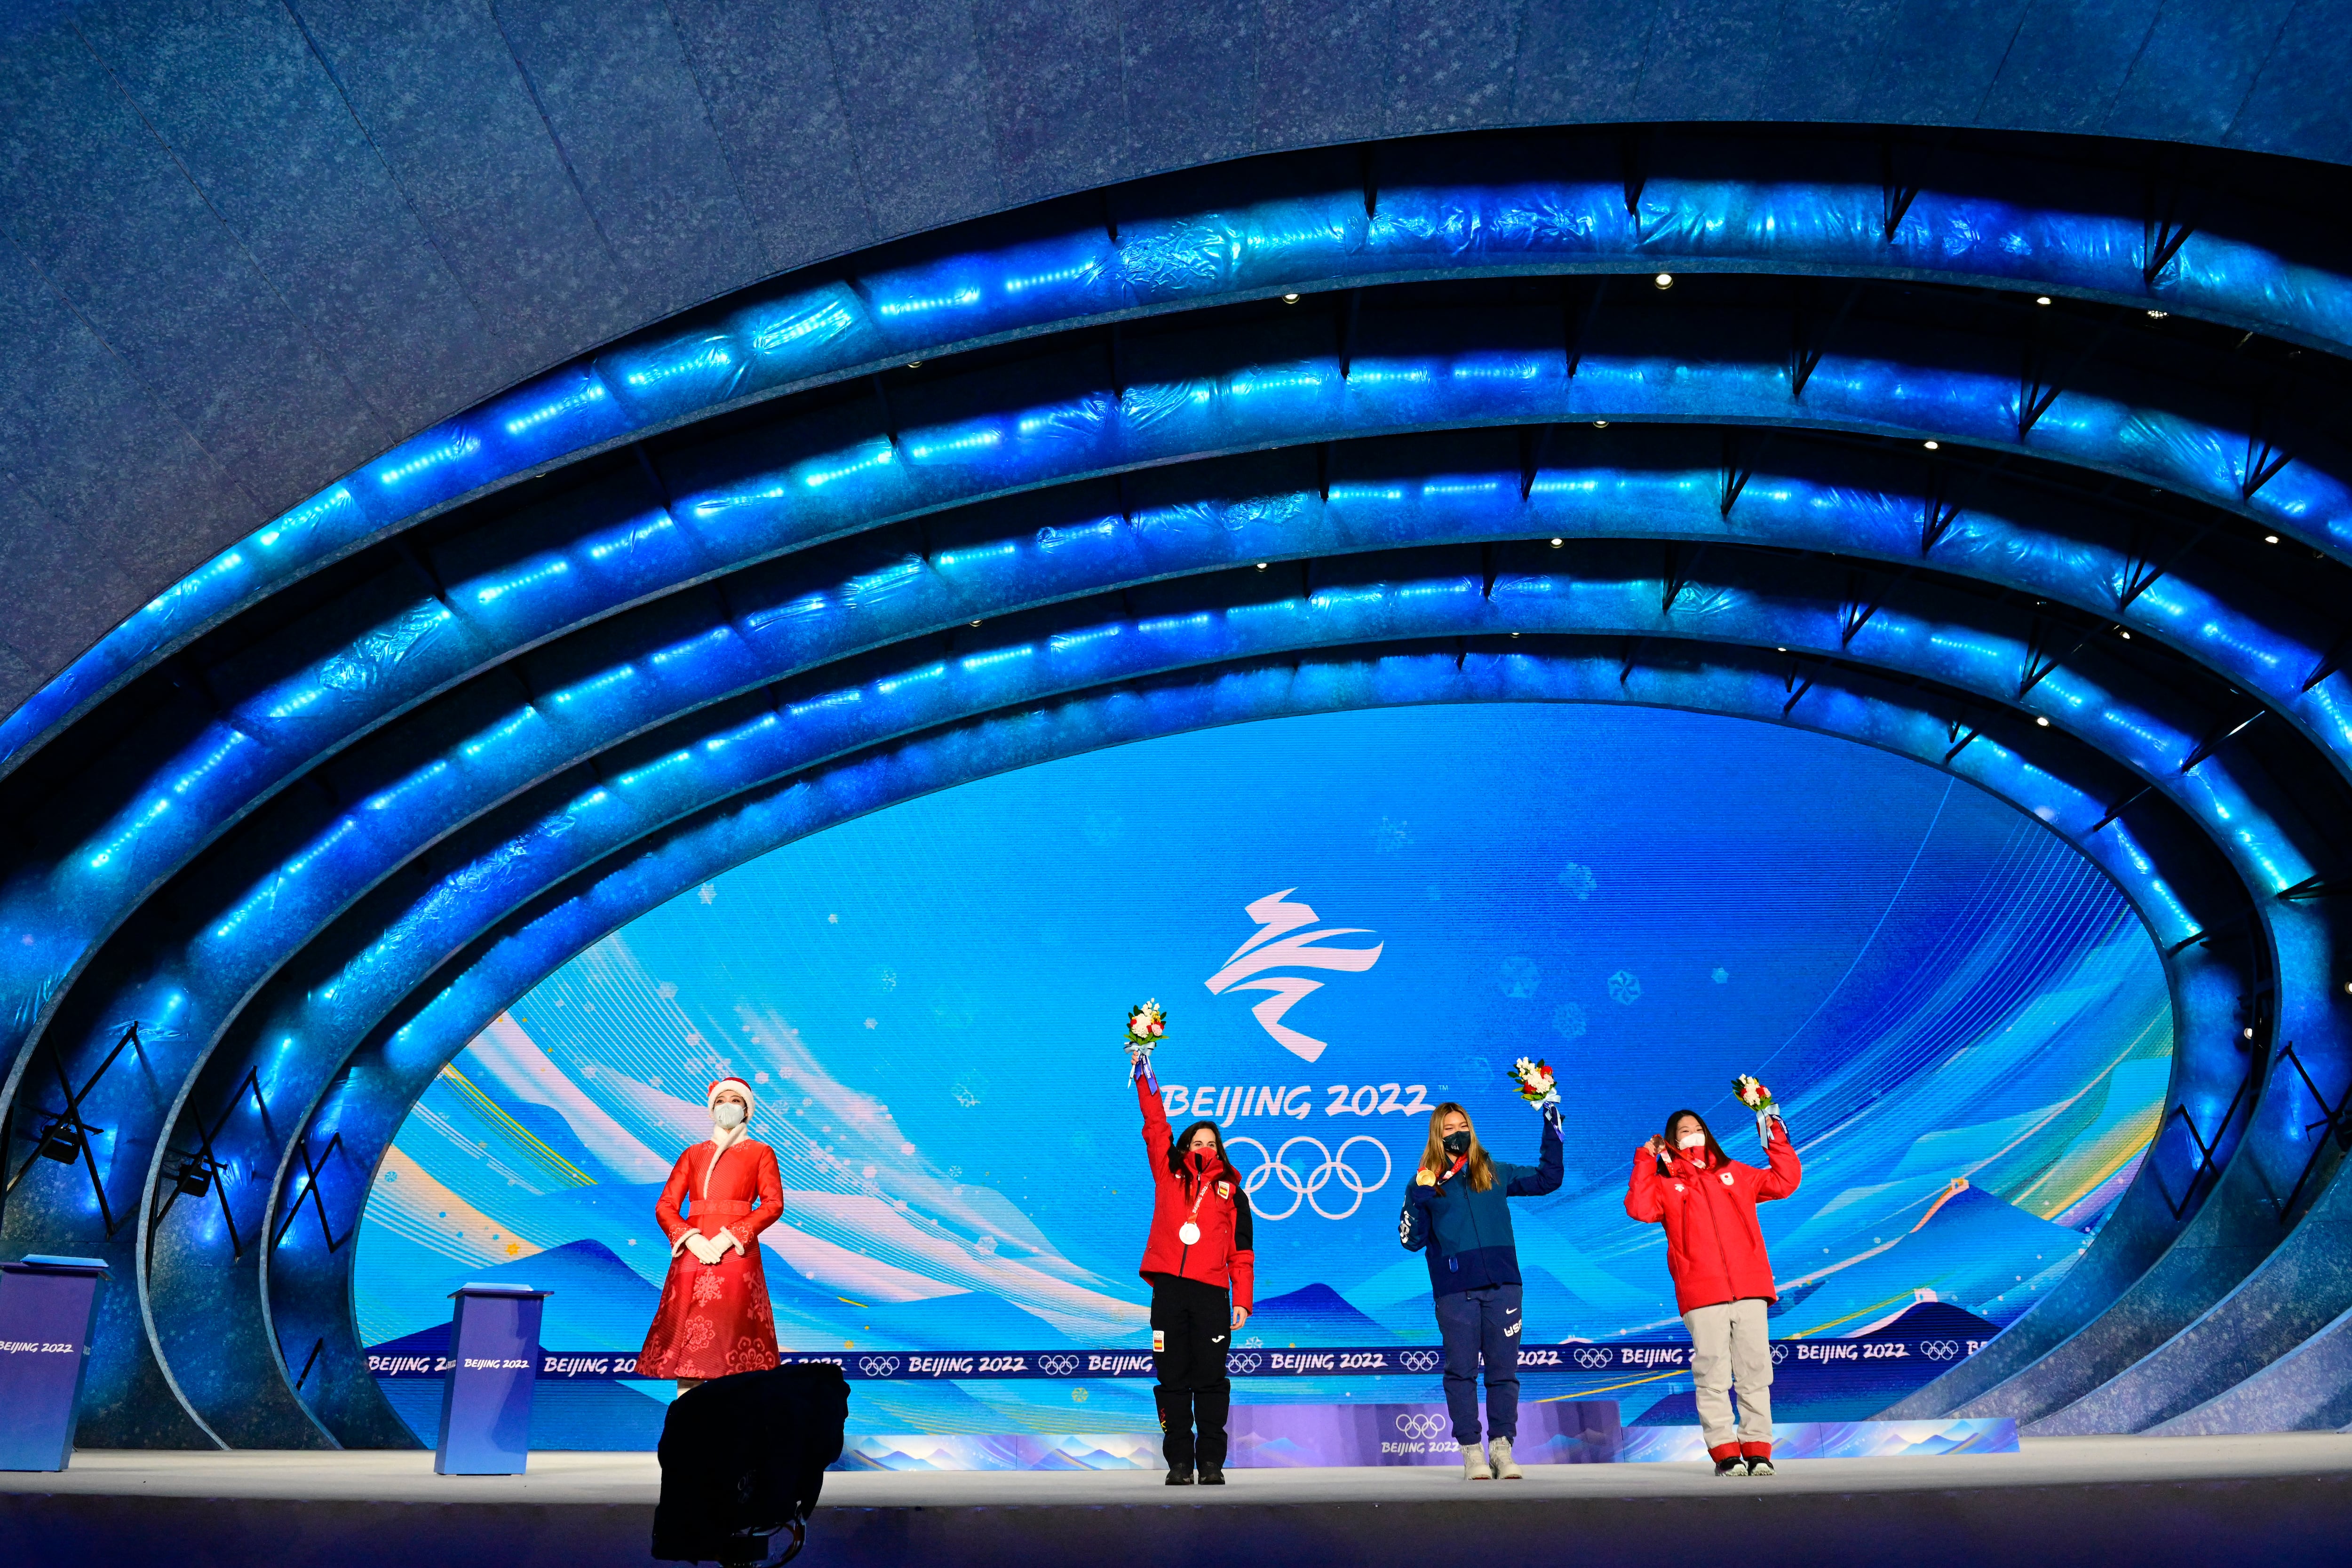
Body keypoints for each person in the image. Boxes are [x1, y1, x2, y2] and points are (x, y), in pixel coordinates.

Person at [1624, 1105, 1802, 1477]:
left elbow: (1785, 1181)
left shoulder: (1736, 1173)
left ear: (1707, 1133)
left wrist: (1773, 1132)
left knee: (1755, 1371)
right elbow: (1638, 1207)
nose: (1691, 1133)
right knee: (1714, 1375)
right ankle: (1725, 1452)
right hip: (1702, 1293)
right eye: (1682, 1131)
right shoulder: (1664, 1185)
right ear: (1671, 1142)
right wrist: (1646, 1157)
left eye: (1696, 1127)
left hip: (1750, 1288)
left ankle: (1758, 1449)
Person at [1397, 1098, 1563, 1480]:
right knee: (1462, 1372)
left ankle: (1502, 1449)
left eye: (1462, 1126)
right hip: (1456, 1292)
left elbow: (1548, 1179)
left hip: (1504, 1287)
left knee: (1504, 1372)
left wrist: (1552, 1122)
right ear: (1437, 1138)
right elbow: (1410, 1240)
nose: (1458, 1134)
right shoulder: (1424, 1181)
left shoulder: (1493, 1171)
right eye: (1448, 1129)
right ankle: (1472, 1452)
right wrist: (1420, 1204)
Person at [1134, 1065, 1254, 1485]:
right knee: (1171, 1378)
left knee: (1210, 1379)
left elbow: (1242, 1253)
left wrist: (1241, 1299)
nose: (1204, 1146)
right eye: (1196, 1141)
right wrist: (1143, 1066)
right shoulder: (1168, 1175)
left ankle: (1211, 1462)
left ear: (1221, 1151)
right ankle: (1180, 1463)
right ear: (1184, 1147)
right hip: (1169, 1290)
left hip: (1211, 1295)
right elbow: (1155, 1122)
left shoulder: (1233, 1193)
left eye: (1212, 1142)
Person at [637, 1077, 786, 1389]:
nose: (727, 1106)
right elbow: (666, 1205)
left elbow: (773, 1204)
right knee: (689, 1345)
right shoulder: (693, 1154)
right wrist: (691, 1237)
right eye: (721, 1101)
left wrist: (729, 1236)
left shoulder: (761, 1152)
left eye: (735, 1100)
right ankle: (687, 1425)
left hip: (737, 1255)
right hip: (693, 1253)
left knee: (733, 1342)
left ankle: (736, 1430)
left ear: (747, 1110)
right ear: (711, 1109)